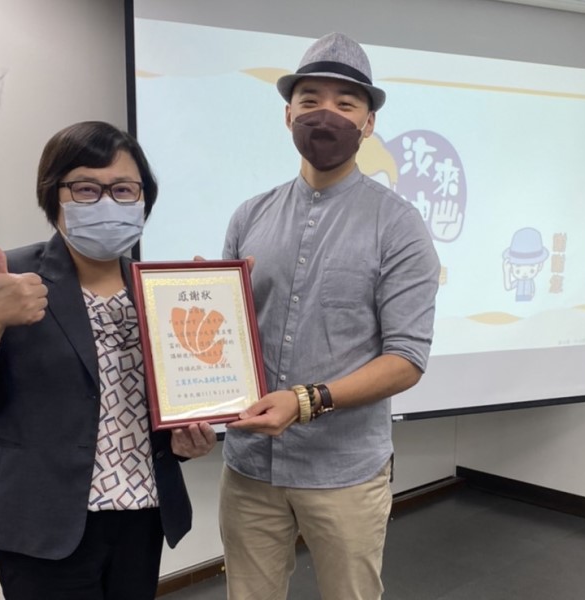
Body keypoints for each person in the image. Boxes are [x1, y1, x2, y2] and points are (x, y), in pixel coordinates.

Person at [0, 121, 216, 600]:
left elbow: (148, 409)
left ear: (143, 199)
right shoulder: (9, 278)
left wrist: (185, 439)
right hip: (40, 524)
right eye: (86, 188)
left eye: (124, 189)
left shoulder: (160, 290)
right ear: (53, 194)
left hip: (140, 514)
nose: (107, 202)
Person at [219, 33, 440, 600]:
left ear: (368, 124)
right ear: (288, 114)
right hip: (250, 467)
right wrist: (198, 302)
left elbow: (406, 359)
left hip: (345, 471)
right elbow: (229, 343)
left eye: (345, 104)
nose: (326, 115)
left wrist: (305, 401)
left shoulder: (398, 225)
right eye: (310, 100)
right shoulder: (250, 217)